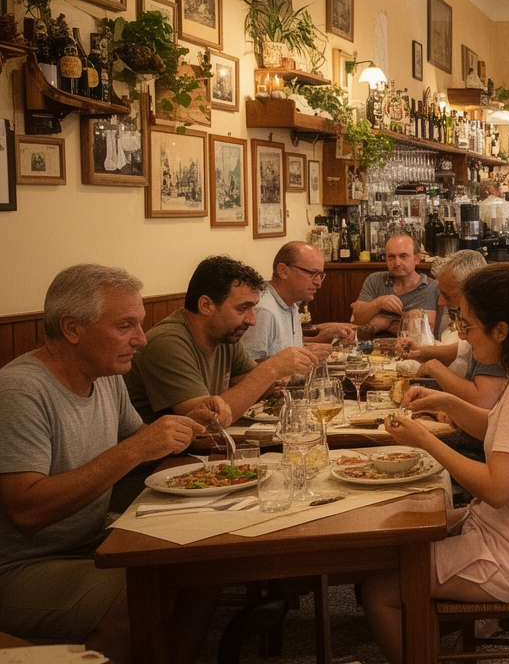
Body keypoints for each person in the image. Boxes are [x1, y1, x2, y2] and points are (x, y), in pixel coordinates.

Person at [360, 265, 509, 663]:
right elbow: (503, 433)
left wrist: (425, 440)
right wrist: (447, 403)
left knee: (377, 589)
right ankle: (428, 632)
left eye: (467, 327)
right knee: (401, 537)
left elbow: (498, 489)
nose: (463, 337)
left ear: (501, 330)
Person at [0, 265, 219, 663]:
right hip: (19, 568)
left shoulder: (105, 375)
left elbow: (145, 447)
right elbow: (26, 510)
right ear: (72, 328)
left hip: (92, 542)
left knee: (201, 568)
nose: (141, 340)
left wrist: (191, 430)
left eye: (140, 324)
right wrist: (137, 449)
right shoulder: (20, 390)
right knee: (135, 597)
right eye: (125, 326)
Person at [123, 256, 320, 425]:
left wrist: (273, 379)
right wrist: (272, 369)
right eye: (243, 308)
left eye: (253, 307)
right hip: (159, 464)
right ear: (206, 305)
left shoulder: (225, 335)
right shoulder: (167, 343)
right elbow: (210, 421)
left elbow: (250, 383)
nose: (252, 320)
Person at [408, 250, 507, 410]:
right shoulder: (481, 328)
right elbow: (463, 350)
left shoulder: (490, 331)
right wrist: (421, 352)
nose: (440, 302)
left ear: (471, 291)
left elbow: (482, 400)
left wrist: (434, 367)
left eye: (446, 296)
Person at [239, 241, 354, 362]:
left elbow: (285, 347)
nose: (318, 282)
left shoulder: (291, 302)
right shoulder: (264, 311)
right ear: (283, 271)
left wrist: (321, 338)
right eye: (311, 273)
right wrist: (301, 358)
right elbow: (247, 370)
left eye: (320, 275)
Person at [350, 233, 439, 336]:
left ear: (417, 259)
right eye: (391, 257)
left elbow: (423, 332)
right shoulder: (375, 280)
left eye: (403, 256)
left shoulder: (431, 287)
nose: (397, 263)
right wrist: (378, 303)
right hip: (373, 348)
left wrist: (384, 322)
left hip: (413, 349)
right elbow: (356, 320)